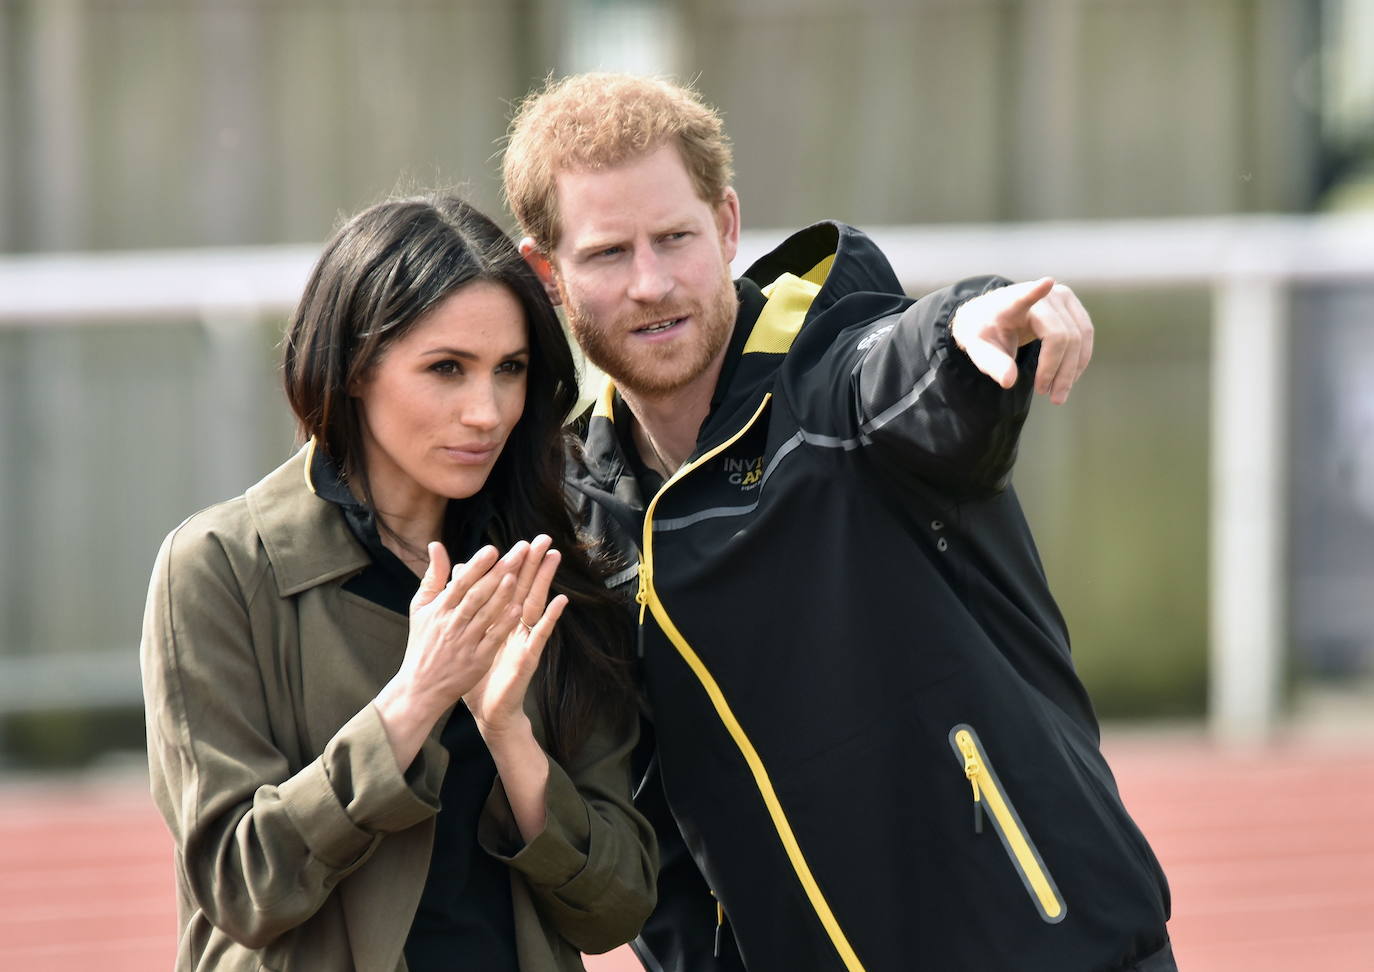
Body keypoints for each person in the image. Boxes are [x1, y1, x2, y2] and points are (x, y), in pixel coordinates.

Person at [501, 74, 1175, 971]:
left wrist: (970, 329)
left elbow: (910, 371)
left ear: (729, 225)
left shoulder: (833, 383)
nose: (652, 283)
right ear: (547, 271)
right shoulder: (587, 523)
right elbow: (650, 822)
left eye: (674, 237)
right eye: (608, 254)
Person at [139, 194, 657, 972]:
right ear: (352, 369)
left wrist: (509, 734)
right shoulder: (218, 567)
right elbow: (244, 887)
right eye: (446, 368)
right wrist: (413, 701)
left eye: (509, 370)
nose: (485, 411)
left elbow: (615, 907)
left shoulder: (553, 569)